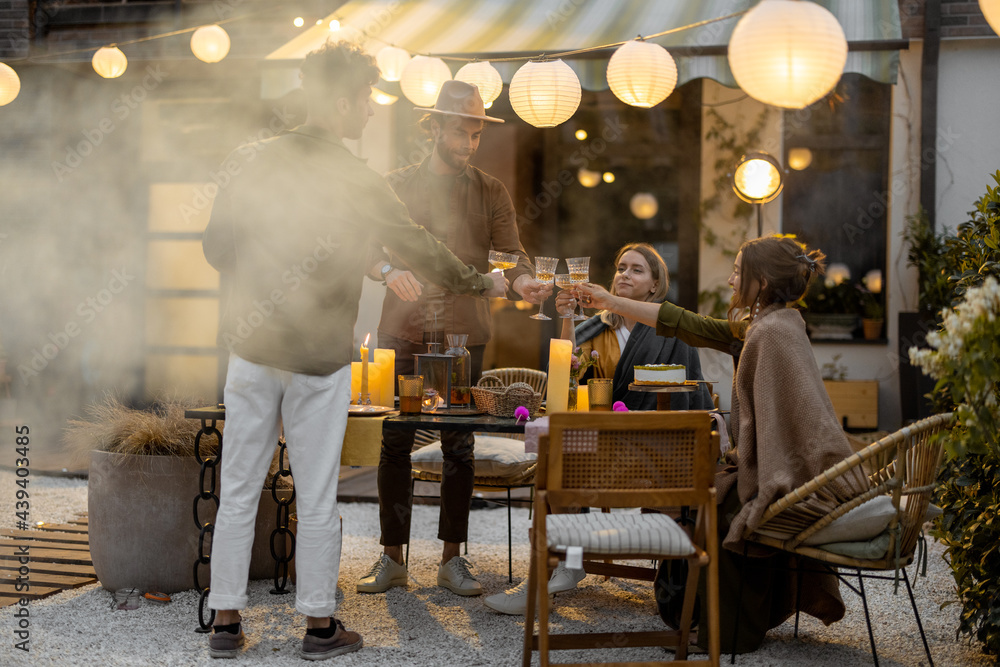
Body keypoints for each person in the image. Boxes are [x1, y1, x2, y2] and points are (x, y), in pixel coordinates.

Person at [201, 41, 507, 661]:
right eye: (365, 100)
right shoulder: (356, 178)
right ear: (341, 100)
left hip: (251, 348)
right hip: (317, 358)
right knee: (315, 493)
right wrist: (481, 281)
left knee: (237, 488)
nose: (369, 112)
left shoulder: (247, 159)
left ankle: (226, 624)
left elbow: (215, 248)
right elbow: (417, 246)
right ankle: (319, 628)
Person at [578, 234, 870, 653]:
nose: (731, 279)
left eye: (738, 271)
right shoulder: (766, 325)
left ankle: (725, 631)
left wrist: (759, 472)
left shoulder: (773, 333)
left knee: (718, 509)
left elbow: (795, 424)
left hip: (790, 477)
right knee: (699, 494)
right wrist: (610, 301)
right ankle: (696, 614)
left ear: (762, 280)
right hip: (774, 465)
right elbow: (691, 325)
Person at [357, 79, 550, 598]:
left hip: (466, 334)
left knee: (457, 445)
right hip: (404, 330)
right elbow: (360, 246)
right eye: (460, 132)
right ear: (435, 127)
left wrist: (524, 280)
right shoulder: (395, 184)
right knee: (394, 442)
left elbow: (512, 256)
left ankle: (452, 560)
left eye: (475, 134)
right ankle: (392, 558)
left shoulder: (492, 190)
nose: (468, 143)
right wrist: (384, 267)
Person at [483, 243, 714, 615]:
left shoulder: (673, 329)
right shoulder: (596, 325)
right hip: (601, 437)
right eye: (621, 267)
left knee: (562, 453)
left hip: (655, 446)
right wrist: (568, 318)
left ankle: (559, 564)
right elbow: (565, 370)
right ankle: (563, 565)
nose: (624, 273)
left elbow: (691, 396)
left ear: (655, 285)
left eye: (637, 270)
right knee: (555, 449)